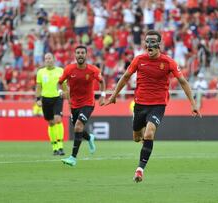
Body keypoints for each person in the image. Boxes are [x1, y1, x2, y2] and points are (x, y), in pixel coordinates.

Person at [105, 30, 201, 183]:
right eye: (147, 43)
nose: (149, 47)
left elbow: (183, 82)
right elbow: (125, 77)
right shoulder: (139, 60)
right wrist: (114, 95)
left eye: (152, 44)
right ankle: (141, 133)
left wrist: (193, 104)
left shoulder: (168, 62)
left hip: (158, 105)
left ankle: (139, 170)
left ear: (158, 45)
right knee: (137, 138)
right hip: (140, 104)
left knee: (149, 134)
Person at [59, 45, 106, 166]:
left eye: (82, 53)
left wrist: (103, 95)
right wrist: (61, 92)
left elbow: (101, 81)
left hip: (88, 103)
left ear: (86, 55)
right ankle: (89, 137)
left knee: (78, 126)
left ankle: (73, 158)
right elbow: (60, 82)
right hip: (74, 104)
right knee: (78, 128)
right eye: (78, 53)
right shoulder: (69, 69)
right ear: (75, 55)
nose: (80, 55)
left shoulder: (92, 70)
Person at [36, 53, 66, 156]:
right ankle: (55, 147)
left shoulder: (60, 71)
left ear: (54, 59)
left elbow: (64, 85)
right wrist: (38, 99)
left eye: (49, 58)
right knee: (51, 123)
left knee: (58, 119)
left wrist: (67, 94)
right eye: (46, 59)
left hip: (57, 97)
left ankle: (61, 146)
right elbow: (39, 87)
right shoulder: (40, 72)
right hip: (46, 99)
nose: (48, 60)